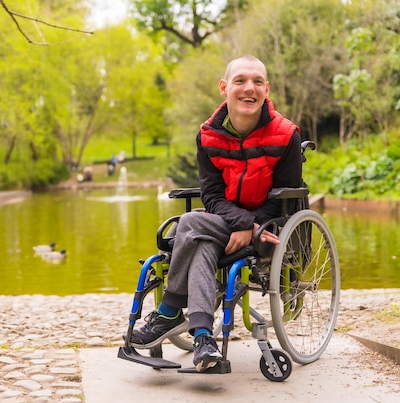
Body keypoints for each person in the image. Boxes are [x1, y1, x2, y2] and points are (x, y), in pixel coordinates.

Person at [129, 55, 303, 372]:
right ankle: (203, 340)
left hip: (268, 228)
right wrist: (241, 224)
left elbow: (284, 199)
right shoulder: (208, 135)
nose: (249, 88)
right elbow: (211, 195)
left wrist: (252, 227)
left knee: (190, 225)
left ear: (267, 89)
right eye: (240, 80)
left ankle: (169, 312)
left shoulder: (286, 135)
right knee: (198, 237)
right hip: (226, 225)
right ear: (224, 88)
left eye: (257, 81)